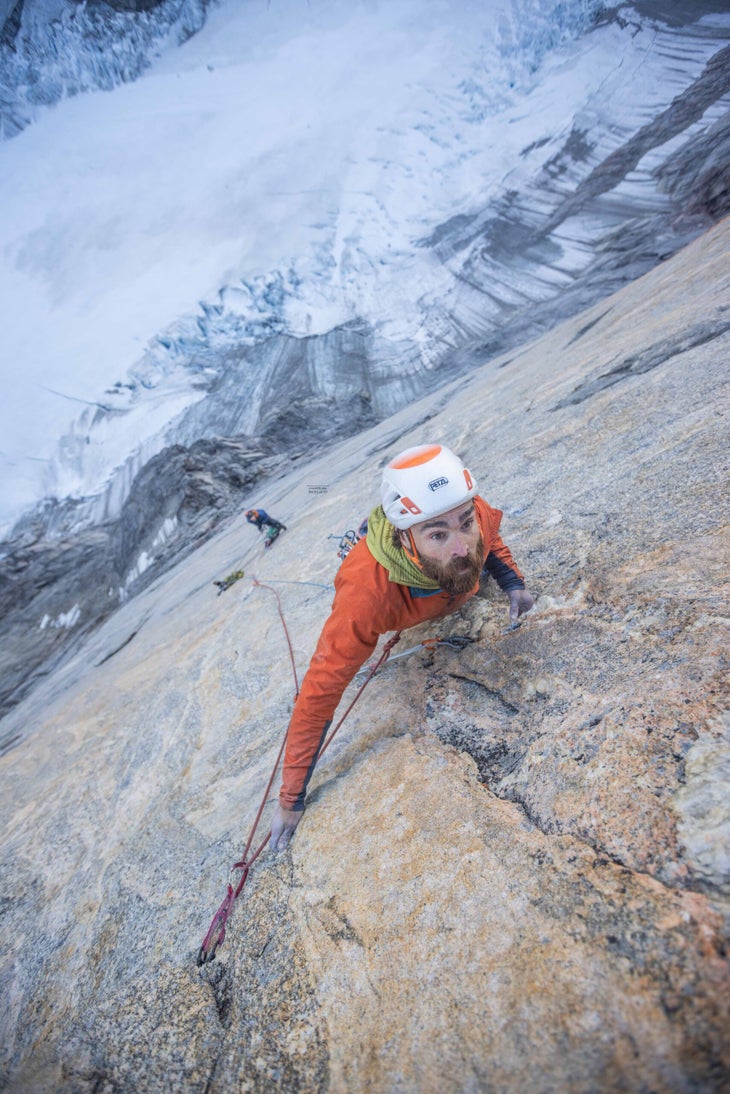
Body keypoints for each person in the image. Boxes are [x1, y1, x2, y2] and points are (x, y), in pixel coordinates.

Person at [270, 443, 535, 851]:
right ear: (404, 538)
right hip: (384, 579)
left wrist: (512, 582)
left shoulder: (468, 512)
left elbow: (488, 535)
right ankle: (366, 533)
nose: (461, 547)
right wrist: (291, 799)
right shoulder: (367, 593)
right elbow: (319, 693)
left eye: (464, 524)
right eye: (437, 534)